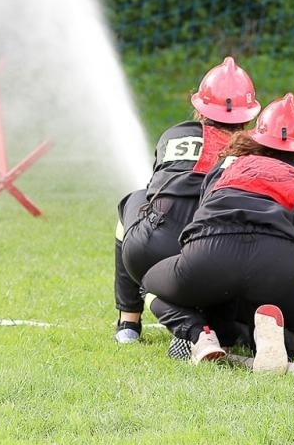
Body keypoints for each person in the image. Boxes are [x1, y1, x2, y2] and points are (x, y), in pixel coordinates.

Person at [142, 92, 294, 374]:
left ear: (259, 137)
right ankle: (263, 333)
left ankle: (199, 334)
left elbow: (202, 213)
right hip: (277, 264)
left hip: (210, 253)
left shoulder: (227, 164)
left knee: (149, 284)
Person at [111, 56, 261, 344]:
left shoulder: (174, 134)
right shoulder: (253, 152)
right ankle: (209, 321)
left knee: (133, 201)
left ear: (200, 108)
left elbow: (156, 190)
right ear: (249, 115)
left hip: (150, 252)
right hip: (213, 259)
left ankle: (128, 322)